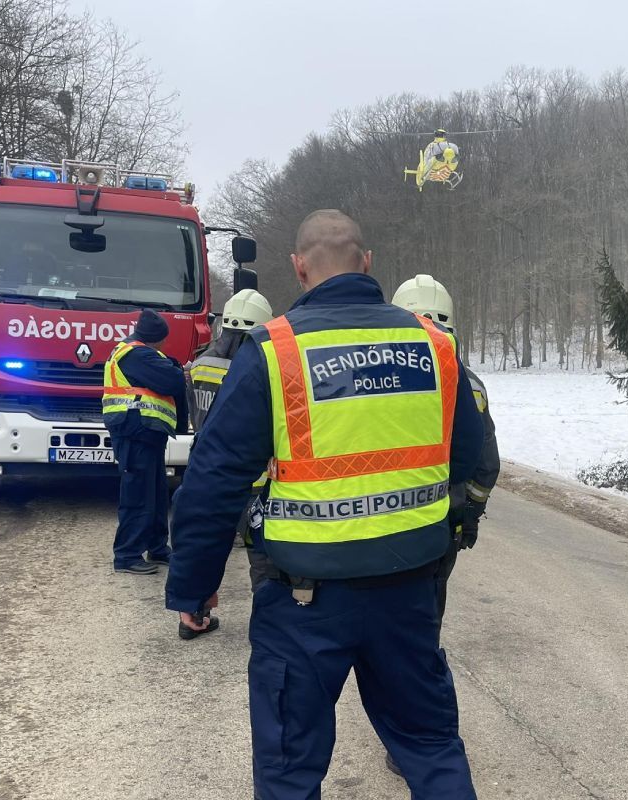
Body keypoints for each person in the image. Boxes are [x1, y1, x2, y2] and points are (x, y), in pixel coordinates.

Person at [166, 209, 484, 799]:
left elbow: (213, 482)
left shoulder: (273, 352)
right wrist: (439, 534)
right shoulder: (435, 347)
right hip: (409, 590)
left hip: (303, 602)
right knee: (431, 746)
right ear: (368, 263)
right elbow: (467, 457)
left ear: (298, 267)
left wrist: (195, 585)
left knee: (290, 768)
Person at [391, 274, 500, 624]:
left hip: (376, 525)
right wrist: (470, 512)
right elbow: (485, 462)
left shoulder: (374, 380)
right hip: (441, 527)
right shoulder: (472, 385)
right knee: (425, 621)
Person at [185, 288, 274, 592]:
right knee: (261, 558)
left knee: (204, 549)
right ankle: (265, 617)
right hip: (254, 480)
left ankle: (195, 613)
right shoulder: (260, 369)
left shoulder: (198, 365)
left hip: (207, 472)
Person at [102, 308, 188, 576]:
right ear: (156, 338)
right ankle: (127, 555)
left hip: (146, 434)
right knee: (137, 494)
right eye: (163, 339)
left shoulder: (140, 353)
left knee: (155, 493)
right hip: (134, 432)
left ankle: (157, 547)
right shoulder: (136, 354)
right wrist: (176, 368)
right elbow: (173, 381)